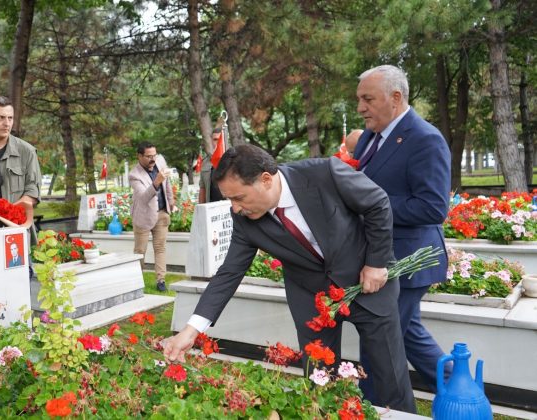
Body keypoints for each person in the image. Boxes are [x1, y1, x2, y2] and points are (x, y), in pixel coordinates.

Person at [163, 144, 416, 413]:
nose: (235, 209)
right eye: (229, 200)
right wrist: (191, 331)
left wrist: (376, 264)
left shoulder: (325, 173)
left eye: (238, 198)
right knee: (320, 384)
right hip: (311, 300)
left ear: (266, 179)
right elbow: (229, 273)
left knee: (390, 376)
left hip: (368, 286)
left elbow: (377, 203)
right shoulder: (244, 219)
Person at [353, 65, 451, 400]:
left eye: (368, 99)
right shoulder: (369, 136)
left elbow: (433, 208)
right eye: (359, 99)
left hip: (407, 261)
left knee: (379, 339)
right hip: (380, 255)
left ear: (396, 98)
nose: (360, 108)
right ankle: (458, 388)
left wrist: (372, 205)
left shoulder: (426, 139)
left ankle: (378, 406)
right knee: (406, 333)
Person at [129, 142, 175, 292]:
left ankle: (161, 280)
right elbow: (143, 198)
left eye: (154, 155)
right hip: (143, 216)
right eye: (148, 156)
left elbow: (167, 183)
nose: (152, 159)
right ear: (140, 156)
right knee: (140, 251)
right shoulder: (134, 175)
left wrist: (170, 200)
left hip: (162, 213)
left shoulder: (160, 161)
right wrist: (156, 181)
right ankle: (137, 281)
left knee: (160, 248)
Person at [198, 128, 225, 204]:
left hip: (230, 206)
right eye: (215, 139)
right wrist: (201, 210)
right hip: (212, 207)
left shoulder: (234, 159)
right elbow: (202, 188)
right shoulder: (206, 162)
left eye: (220, 139)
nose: (218, 142)